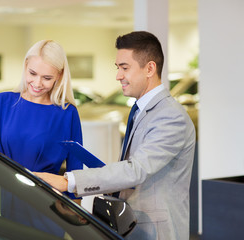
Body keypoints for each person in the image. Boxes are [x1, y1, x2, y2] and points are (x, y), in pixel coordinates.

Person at [35, 31, 196, 240]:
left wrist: (68, 182)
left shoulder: (171, 117)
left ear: (149, 68)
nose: (118, 75)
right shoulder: (141, 111)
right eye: (117, 68)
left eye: (124, 68)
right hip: (134, 227)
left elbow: (136, 170)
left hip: (157, 232)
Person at [0, 40, 83, 235]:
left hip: (49, 205)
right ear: (25, 67)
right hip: (10, 199)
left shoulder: (67, 113)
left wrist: (76, 208)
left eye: (47, 77)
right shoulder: (2, 103)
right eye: (33, 73)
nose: (38, 83)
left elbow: (75, 167)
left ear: (59, 76)